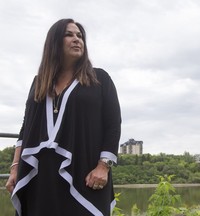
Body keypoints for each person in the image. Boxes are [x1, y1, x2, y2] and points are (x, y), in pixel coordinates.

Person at [5, 18, 121, 216]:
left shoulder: (99, 78)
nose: (77, 39)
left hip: (84, 173)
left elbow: (113, 124)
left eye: (80, 36)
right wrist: (15, 168)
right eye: (69, 34)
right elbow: (26, 128)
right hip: (39, 176)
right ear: (54, 42)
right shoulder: (39, 82)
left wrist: (103, 167)